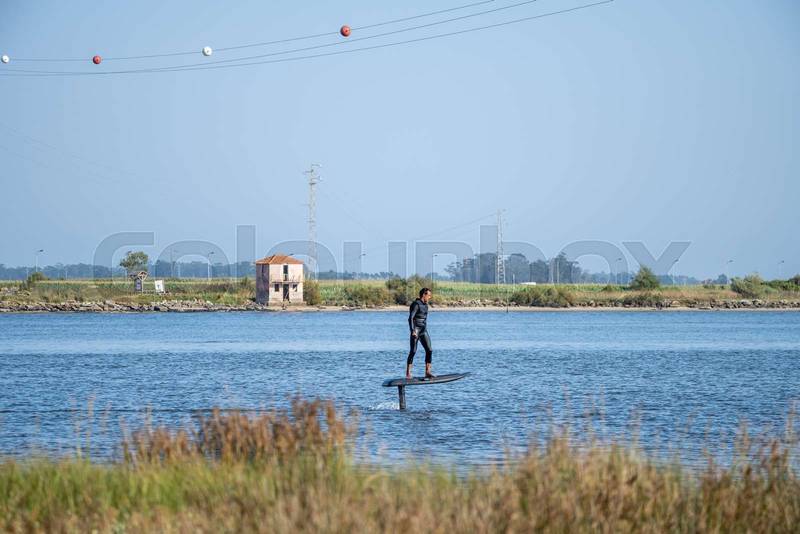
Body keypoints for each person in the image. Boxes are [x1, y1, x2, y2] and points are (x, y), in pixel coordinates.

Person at [407, 287, 435, 379]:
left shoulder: (426, 305)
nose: (430, 297)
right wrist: (412, 330)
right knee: (413, 351)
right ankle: (408, 373)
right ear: (424, 295)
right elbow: (410, 318)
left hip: (423, 330)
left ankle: (427, 372)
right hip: (416, 330)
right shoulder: (416, 304)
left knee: (429, 350)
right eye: (429, 295)